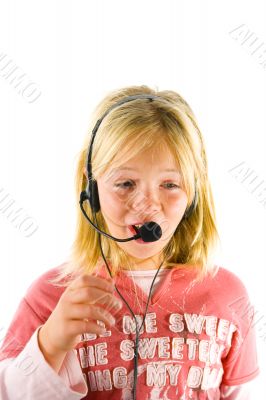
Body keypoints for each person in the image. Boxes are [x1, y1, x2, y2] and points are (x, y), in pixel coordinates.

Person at [0, 85, 260, 399]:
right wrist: (50, 343)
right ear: (91, 190)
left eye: (170, 184)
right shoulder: (52, 295)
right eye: (125, 183)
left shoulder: (227, 295)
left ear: (193, 195)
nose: (147, 204)